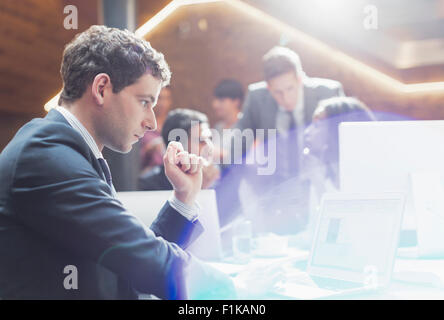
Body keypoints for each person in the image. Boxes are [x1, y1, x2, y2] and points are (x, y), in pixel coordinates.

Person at [0, 25, 233, 299]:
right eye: (145, 102)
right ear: (101, 88)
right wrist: (237, 291)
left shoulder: (72, 151)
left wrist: (184, 199)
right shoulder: (44, 156)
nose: (151, 122)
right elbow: (144, 261)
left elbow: (128, 260)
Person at [217, 46, 345, 232]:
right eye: (277, 92)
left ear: (300, 79)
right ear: (268, 87)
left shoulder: (328, 93)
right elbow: (240, 138)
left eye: (290, 88)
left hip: (319, 187)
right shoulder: (257, 97)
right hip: (278, 192)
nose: (285, 98)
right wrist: (222, 168)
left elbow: (342, 142)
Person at [293, 96, 377, 248]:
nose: (307, 131)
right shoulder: (322, 171)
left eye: (317, 124)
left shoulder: (367, 179)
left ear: (337, 129)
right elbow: (316, 237)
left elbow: (342, 238)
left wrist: (319, 187)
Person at [139, 108, 220, 191]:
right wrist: (198, 189)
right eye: (200, 141)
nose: (209, 146)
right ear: (178, 147)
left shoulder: (218, 179)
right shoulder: (149, 185)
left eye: (210, 139)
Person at [139, 85, 173, 175]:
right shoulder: (143, 124)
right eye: (160, 98)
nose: (163, 103)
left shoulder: (174, 125)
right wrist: (149, 149)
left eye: (166, 98)